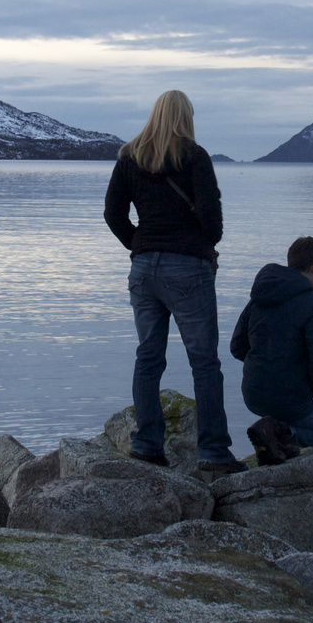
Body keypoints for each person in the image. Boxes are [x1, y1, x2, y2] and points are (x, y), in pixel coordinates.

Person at [104, 90, 244, 473]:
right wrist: (198, 241)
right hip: (188, 270)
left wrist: (140, 244)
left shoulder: (129, 157)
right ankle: (213, 452)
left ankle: (147, 443)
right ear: (186, 117)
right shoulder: (194, 157)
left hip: (143, 270)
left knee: (148, 358)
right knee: (204, 363)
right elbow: (213, 224)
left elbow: (112, 213)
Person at [231, 236, 313, 463]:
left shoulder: (258, 299)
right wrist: (310, 388)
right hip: (290, 396)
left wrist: (263, 366)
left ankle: (271, 440)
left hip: (253, 393)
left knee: (284, 414)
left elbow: (237, 347)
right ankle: (280, 433)